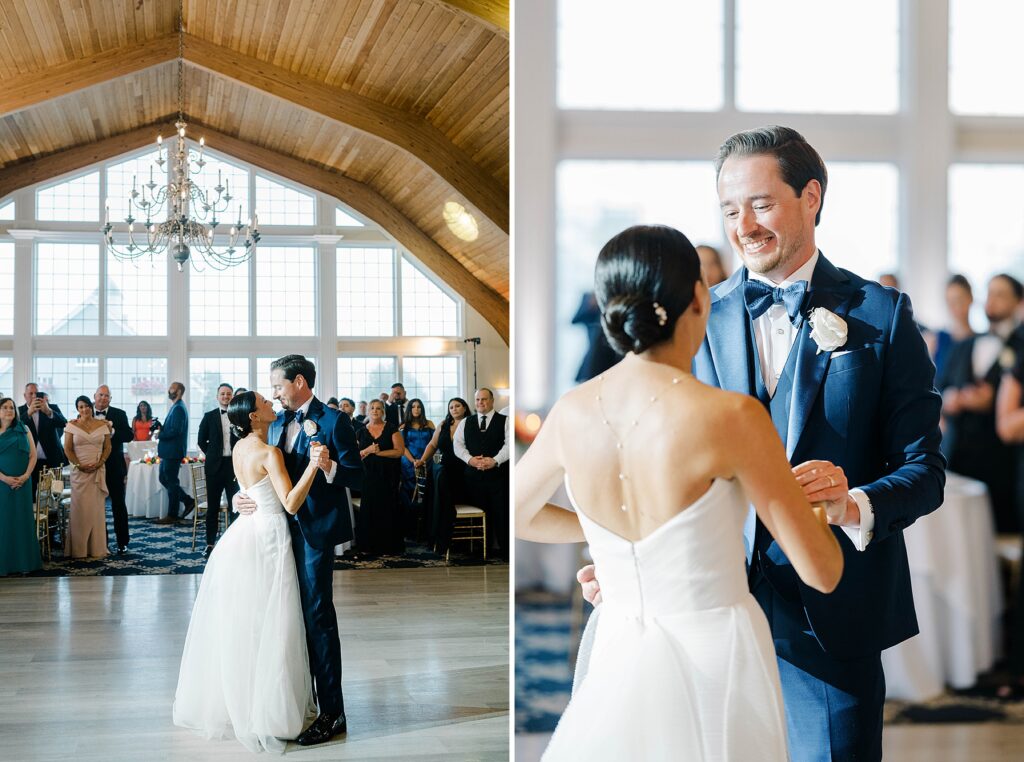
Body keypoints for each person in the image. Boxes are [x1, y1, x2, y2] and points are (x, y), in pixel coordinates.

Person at [578, 128, 945, 761]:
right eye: (728, 210)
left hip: (833, 617)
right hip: (707, 612)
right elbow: (649, 463)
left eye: (761, 204)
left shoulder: (882, 316)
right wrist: (627, 561)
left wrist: (854, 501)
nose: (743, 225)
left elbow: (924, 469)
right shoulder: (693, 318)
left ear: (811, 197)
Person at [519, 225, 843, 761]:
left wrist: (614, 543)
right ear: (700, 296)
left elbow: (519, 515)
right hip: (718, 652)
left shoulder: (572, 411)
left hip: (619, 643)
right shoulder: (732, 417)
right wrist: (816, 503)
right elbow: (822, 572)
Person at [173, 391, 327, 752]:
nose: (272, 404)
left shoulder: (241, 446)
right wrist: (312, 466)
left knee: (248, 620)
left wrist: (239, 499)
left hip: (243, 534)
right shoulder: (270, 451)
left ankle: (242, 700)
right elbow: (289, 504)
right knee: (274, 619)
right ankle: (270, 710)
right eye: (265, 403)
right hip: (269, 536)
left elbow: (245, 487)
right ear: (255, 417)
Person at [233, 355, 362, 745]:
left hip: (314, 534)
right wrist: (244, 496)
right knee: (284, 616)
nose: (274, 393)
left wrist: (329, 468)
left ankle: (333, 713)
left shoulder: (334, 420)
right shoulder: (275, 423)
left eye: (278, 386)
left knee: (318, 616)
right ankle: (295, 700)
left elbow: (360, 477)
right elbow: (263, 472)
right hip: (276, 530)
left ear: (300, 382)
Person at [938, 273, 1024, 533]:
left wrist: (993, 399)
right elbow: (939, 388)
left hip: (1002, 463)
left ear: (1018, 301)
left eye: (1000, 294)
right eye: (989, 293)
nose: (992, 301)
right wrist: (952, 398)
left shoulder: (1018, 346)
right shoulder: (965, 346)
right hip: (959, 455)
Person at [454, 388, 509, 558]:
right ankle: (479, 551)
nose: (480, 403)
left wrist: (495, 460)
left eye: (484, 399)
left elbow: (509, 445)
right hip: (473, 477)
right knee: (479, 513)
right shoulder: (466, 422)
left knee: (501, 513)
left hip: (498, 477)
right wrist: (470, 460)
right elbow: (458, 445)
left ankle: (505, 551)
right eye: (477, 399)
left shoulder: (505, 421)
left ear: (492, 401)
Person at [419, 396, 469, 554]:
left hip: (464, 471)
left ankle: (449, 532)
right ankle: (439, 532)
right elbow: (433, 445)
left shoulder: (471, 423)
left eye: (458, 406)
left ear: (465, 408)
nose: (454, 409)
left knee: (443, 478)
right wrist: (421, 460)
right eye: (451, 407)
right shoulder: (443, 424)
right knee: (439, 476)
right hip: (445, 468)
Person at [64, 395, 112, 559]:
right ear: (77, 409)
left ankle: (97, 548)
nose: (84, 409)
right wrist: (79, 465)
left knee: (96, 510)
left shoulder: (103, 425)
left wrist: (100, 463)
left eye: (86, 406)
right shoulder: (72, 426)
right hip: (79, 473)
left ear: (91, 407)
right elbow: (68, 449)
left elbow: (108, 447)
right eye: (80, 407)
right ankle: (78, 549)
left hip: (97, 471)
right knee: (80, 510)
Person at [355, 399, 405, 555]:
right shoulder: (360, 432)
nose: (375, 411)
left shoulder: (391, 428)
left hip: (388, 475)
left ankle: (389, 546)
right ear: (368, 411)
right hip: (368, 475)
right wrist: (368, 450)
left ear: (383, 411)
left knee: (388, 507)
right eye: (372, 408)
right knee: (370, 508)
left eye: (378, 408)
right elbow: (355, 457)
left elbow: (399, 451)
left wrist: (379, 452)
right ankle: (369, 546)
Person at [196, 383, 239, 557]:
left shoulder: (238, 416)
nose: (226, 396)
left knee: (234, 507)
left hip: (234, 467)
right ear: (217, 397)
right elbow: (201, 440)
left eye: (229, 394)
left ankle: (234, 544)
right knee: (213, 508)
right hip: (214, 467)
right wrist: (213, 454)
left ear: (232, 397)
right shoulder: (209, 416)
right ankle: (210, 544)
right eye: (222, 394)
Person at [0, 397, 41, 575]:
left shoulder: (24, 429)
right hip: (2, 485)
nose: (9, 410)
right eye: (4, 407)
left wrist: (25, 476)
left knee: (22, 521)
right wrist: (5, 479)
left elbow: (33, 456)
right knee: (4, 523)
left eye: (12, 407)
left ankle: (25, 563)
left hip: (23, 484)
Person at [93, 385, 134, 554]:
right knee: (96, 506)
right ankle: (100, 542)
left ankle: (122, 542)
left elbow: (129, 436)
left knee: (118, 505)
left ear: (110, 399)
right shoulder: (86, 413)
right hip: (93, 467)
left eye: (106, 396)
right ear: (94, 396)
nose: (103, 398)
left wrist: (113, 430)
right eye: (100, 395)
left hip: (115, 467)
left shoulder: (119, 414)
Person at [155, 382, 194, 525]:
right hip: (168, 451)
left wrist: (160, 434)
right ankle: (188, 501)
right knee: (164, 479)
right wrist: (161, 427)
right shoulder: (176, 407)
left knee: (171, 481)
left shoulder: (179, 408)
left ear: (178, 391)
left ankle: (172, 514)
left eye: (171, 388)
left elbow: (176, 431)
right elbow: (171, 427)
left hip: (173, 451)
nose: (168, 390)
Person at [19, 382, 67, 490]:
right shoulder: (19, 411)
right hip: (29, 462)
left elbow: (64, 423)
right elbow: (15, 429)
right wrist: (28, 414)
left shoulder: (51, 407)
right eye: (30, 393)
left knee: (54, 494)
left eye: (36, 393)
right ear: (25, 396)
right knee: (31, 494)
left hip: (52, 460)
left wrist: (48, 411)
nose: (33, 396)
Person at [399, 398, 434, 536]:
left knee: (426, 494)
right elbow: (402, 446)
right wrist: (413, 461)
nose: (416, 409)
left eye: (419, 407)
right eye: (413, 407)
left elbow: (434, 443)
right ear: (409, 409)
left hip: (426, 462)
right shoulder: (403, 426)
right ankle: (410, 529)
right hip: (409, 464)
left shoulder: (429, 424)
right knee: (410, 495)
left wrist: (423, 460)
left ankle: (425, 529)